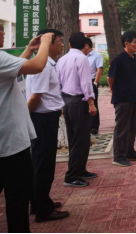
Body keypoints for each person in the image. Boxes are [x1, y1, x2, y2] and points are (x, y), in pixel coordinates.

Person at [0, 28, 54, 233]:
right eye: (0, 30)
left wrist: (30, 49)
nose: (3, 34)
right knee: (17, 198)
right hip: (10, 143)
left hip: (5, 140)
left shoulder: (3, 61)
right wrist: (46, 42)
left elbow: (16, 69)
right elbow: (37, 66)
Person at [26, 29, 70, 223]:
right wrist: (25, 118)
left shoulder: (47, 63)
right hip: (42, 120)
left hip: (44, 118)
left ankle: (39, 202)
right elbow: (35, 97)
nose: (62, 44)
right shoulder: (43, 66)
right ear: (48, 43)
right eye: (59, 40)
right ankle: (43, 210)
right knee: (44, 165)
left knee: (41, 163)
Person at [57, 32, 98, 188]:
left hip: (67, 101)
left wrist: (61, 103)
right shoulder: (82, 58)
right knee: (80, 139)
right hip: (79, 101)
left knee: (75, 137)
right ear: (85, 45)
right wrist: (91, 103)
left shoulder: (62, 59)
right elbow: (86, 83)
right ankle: (72, 175)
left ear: (69, 44)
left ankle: (80, 169)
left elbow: (58, 82)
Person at [108, 31, 136, 167]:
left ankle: (129, 152)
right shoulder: (118, 60)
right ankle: (118, 156)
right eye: (135, 42)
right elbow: (110, 78)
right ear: (126, 43)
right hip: (121, 97)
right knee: (122, 127)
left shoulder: (135, 58)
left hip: (132, 96)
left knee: (132, 126)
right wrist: (113, 92)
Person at [85, 38, 103, 135]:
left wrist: (95, 83)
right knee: (84, 103)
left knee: (93, 103)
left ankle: (94, 126)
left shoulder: (97, 55)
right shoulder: (82, 55)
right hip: (83, 82)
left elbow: (99, 69)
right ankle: (86, 125)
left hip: (92, 81)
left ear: (87, 45)